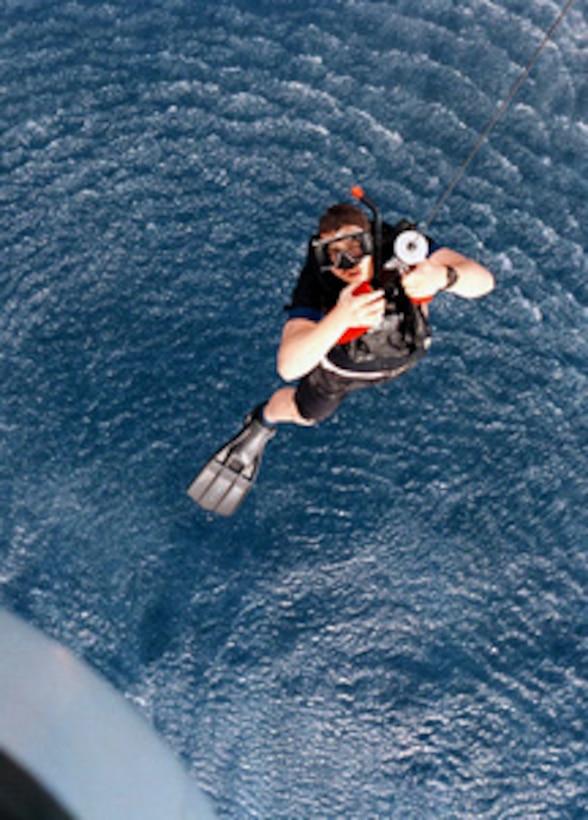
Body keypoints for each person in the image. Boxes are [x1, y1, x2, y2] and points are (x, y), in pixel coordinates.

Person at [188, 198, 495, 516]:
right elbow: (289, 367)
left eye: (356, 246)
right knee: (306, 414)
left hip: (403, 352)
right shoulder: (319, 284)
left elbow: (484, 282)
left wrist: (445, 277)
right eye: (335, 254)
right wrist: (340, 318)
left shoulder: (400, 248)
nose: (348, 261)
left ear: (372, 240)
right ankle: (262, 422)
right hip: (339, 373)